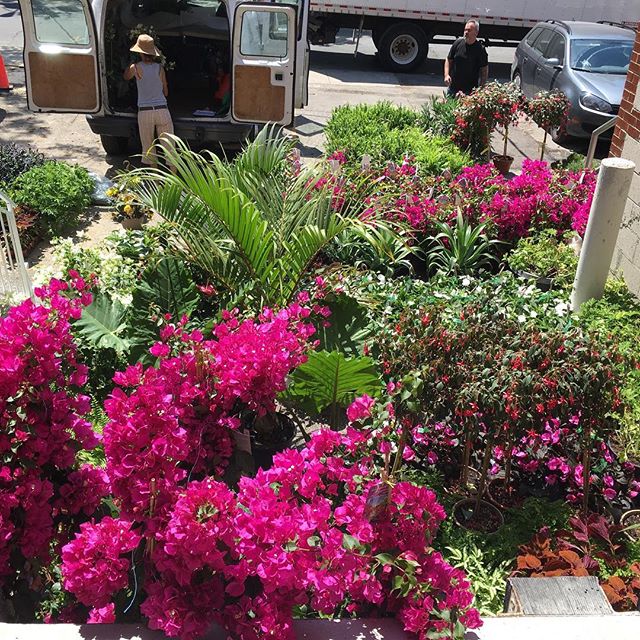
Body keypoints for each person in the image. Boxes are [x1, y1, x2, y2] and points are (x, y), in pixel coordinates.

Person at [124, 34, 174, 168]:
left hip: (144, 112)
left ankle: (157, 183)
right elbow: (166, 91)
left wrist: (133, 66)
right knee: (170, 147)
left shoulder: (135, 68)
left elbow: (126, 77)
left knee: (149, 147)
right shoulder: (160, 68)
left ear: (139, 52)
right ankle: (173, 179)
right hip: (162, 110)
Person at [444, 20, 489, 97]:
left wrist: (481, 89)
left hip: (469, 92)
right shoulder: (457, 43)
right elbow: (448, 60)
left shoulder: (480, 49)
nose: (466, 32)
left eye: (469, 30)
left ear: (476, 33)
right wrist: (446, 75)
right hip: (453, 88)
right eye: (465, 29)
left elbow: (484, 71)